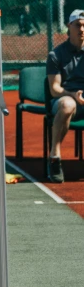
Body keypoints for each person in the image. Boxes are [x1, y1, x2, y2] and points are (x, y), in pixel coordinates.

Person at [46, 10, 84, 183]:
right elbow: (54, 89)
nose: (82, 29)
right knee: (67, 105)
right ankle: (55, 157)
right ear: (69, 27)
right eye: (78, 25)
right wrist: (74, 95)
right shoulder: (56, 55)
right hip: (64, 98)